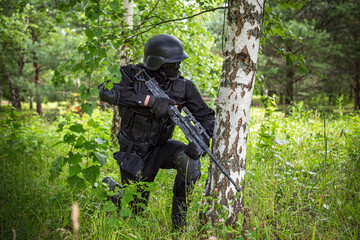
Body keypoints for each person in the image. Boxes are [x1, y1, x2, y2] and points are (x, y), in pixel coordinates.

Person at [99, 34, 215, 229]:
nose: (177, 67)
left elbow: (207, 116)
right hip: (133, 153)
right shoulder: (130, 75)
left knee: (190, 162)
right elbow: (105, 91)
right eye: (172, 64)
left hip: (161, 148)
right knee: (135, 209)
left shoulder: (183, 86)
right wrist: (149, 101)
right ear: (156, 63)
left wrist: (201, 139)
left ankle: (179, 222)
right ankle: (112, 189)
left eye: (178, 63)